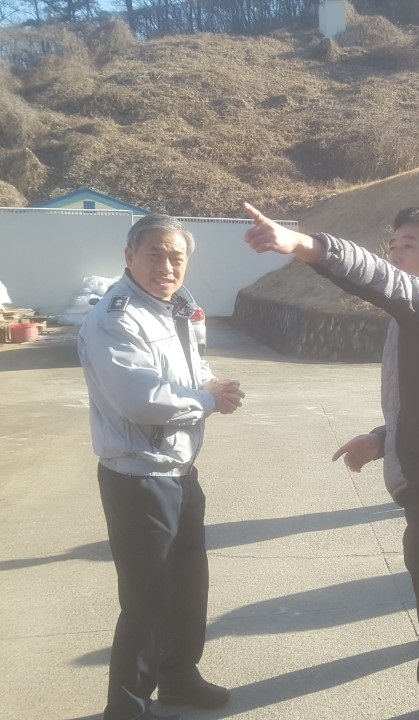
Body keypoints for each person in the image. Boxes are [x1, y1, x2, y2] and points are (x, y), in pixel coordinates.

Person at [243, 203, 419, 720]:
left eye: (408, 246)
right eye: (391, 246)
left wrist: (303, 245)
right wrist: (382, 437)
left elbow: (378, 279)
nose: (394, 255)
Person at [78, 215, 244, 720]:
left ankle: (178, 678)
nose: (167, 266)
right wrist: (209, 402)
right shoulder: (116, 318)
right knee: (147, 598)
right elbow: (141, 399)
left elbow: (193, 366)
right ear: (130, 257)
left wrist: (211, 384)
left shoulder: (175, 307)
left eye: (177, 257)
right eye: (155, 254)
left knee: (189, 585)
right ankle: (127, 707)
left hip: (179, 469)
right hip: (138, 476)